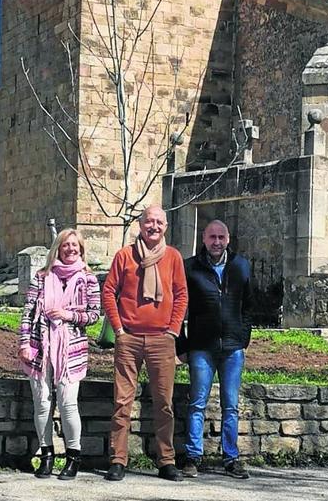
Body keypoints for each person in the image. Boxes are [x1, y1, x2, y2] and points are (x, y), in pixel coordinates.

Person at [102, 205, 188, 482]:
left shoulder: (173, 257)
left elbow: (181, 295)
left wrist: (173, 331)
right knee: (122, 401)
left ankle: (166, 460)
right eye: (148, 221)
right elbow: (108, 292)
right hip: (129, 339)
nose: (153, 226)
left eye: (159, 222)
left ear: (166, 226)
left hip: (162, 339)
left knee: (164, 403)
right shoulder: (125, 255)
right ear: (140, 225)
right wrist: (118, 329)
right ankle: (118, 459)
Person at [18, 228, 100, 480]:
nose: (70, 249)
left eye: (75, 245)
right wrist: (24, 344)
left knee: (67, 404)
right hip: (40, 347)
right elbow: (28, 311)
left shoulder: (88, 279)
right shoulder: (42, 277)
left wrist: (69, 316)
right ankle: (46, 454)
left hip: (71, 351)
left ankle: (73, 456)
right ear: (58, 248)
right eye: (66, 245)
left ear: (81, 249)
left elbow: (94, 315)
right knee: (42, 403)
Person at [182, 220, 254, 479]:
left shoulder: (241, 266)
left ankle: (231, 458)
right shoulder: (190, 267)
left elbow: (247, 307)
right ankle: (192, 457)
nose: (216, 242)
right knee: (197, 404)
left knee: (231, 407)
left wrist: (243, 338)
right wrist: (182, 344)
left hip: (232, 349)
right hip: (201, 347)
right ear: (203, 238)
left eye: (221, 237)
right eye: (212, 236)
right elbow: (179, 308)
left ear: (228, 239)